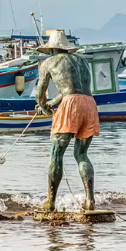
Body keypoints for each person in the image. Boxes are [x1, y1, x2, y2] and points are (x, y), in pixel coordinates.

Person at [35, 30, 100, 211]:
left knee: (56, 154)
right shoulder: (83, 62)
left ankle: (50, 202)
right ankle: (89, 200)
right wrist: (50, 104)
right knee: (81, 155)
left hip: (71, 105)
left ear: (52, 50)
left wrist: (43, 106)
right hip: (89, 104)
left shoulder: (48, 62)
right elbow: (73, 92)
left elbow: (40, 94)